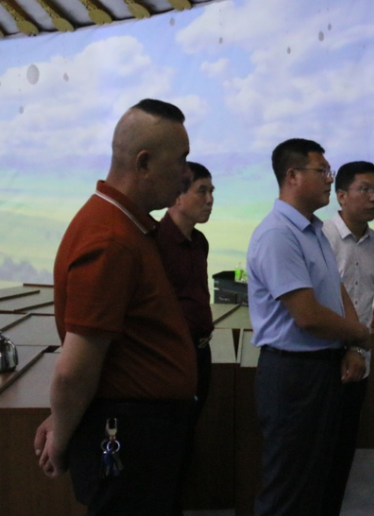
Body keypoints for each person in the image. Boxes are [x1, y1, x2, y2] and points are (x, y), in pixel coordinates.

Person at [34, 99, 197, 516]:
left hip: (140, 430)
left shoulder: (124, 226)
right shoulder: (110, 239)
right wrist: (62, 436)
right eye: (180, 160)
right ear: (143, 164)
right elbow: (74, 371)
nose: (186, 174)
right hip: (129, 434)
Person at [247, 138, 371, 516]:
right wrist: (360, 334)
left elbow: (336, 290)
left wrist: (352, 345)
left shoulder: (313, 230)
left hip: (321, 368)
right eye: (322, 171)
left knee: (319, 482)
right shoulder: (278, 234)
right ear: (292, 176)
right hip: (294, 374)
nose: (330, 179)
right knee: (289, 490)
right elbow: (308, 315)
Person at [321, 161, 374, 515]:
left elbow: (365, 302)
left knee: (344, 449)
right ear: (342, 195)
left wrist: (359, 349)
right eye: (365, 189)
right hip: (326, 357)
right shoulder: (323, 238)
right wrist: (349, 346)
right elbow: (322, 302)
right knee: (317, 453)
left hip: (360, 359)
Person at [155, 161, 216, 499]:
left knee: (187, 435)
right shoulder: (157, 242)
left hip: (200, 351)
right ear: (177, 196)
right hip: (172, 355)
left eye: (212, 192)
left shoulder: (199, 241)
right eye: (201, 191)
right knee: (168, 441)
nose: (209, 200)